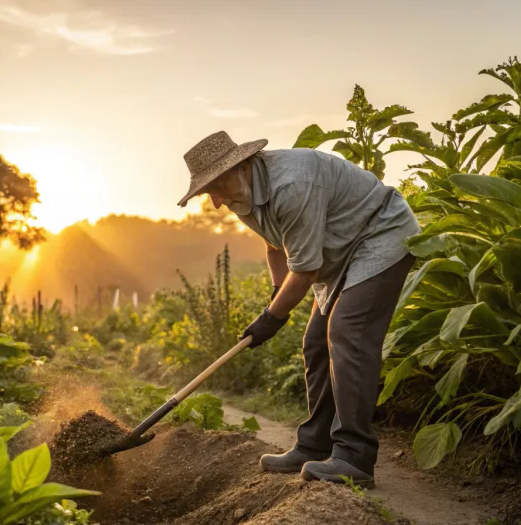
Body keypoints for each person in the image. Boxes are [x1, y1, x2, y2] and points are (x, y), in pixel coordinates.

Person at [178, 131, 421, 487]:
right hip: (340, 250)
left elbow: (305, 270)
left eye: (215, 186)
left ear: (242, 165)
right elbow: (276, 245)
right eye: (207, 192)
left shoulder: (291, 184)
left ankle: (354, 456)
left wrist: (272, 318)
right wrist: (277, 295)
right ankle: (314, 444)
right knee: (315, 343)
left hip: (380, 234)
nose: (214, 201)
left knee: (347, 332)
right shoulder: (243, 195)